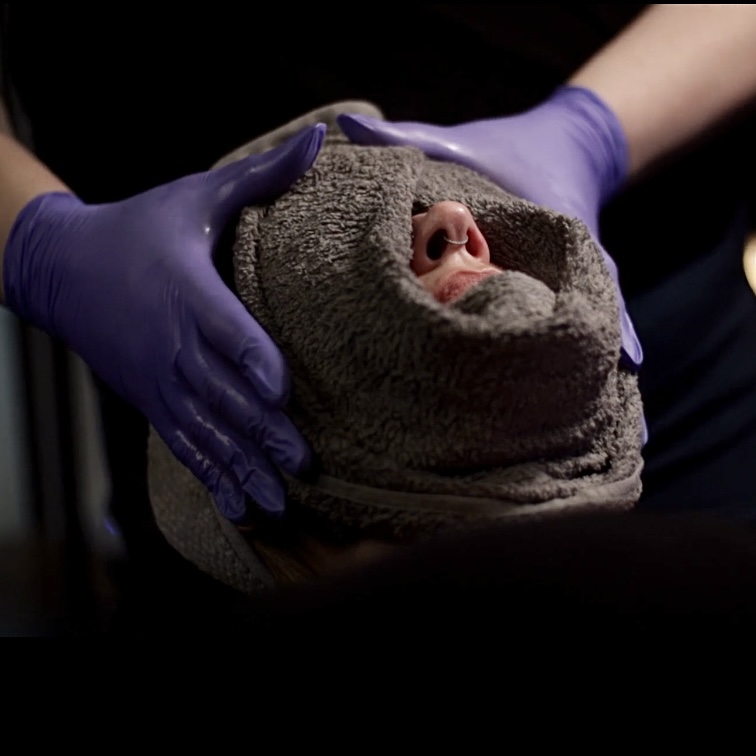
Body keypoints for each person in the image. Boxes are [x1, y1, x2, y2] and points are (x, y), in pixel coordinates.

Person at [0, 6, 755, 631]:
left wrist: (596, 130)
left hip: (680, 322)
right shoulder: (247, 478)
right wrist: (33, 241)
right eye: (383, 264)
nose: (457, 212)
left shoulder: (699, 565)